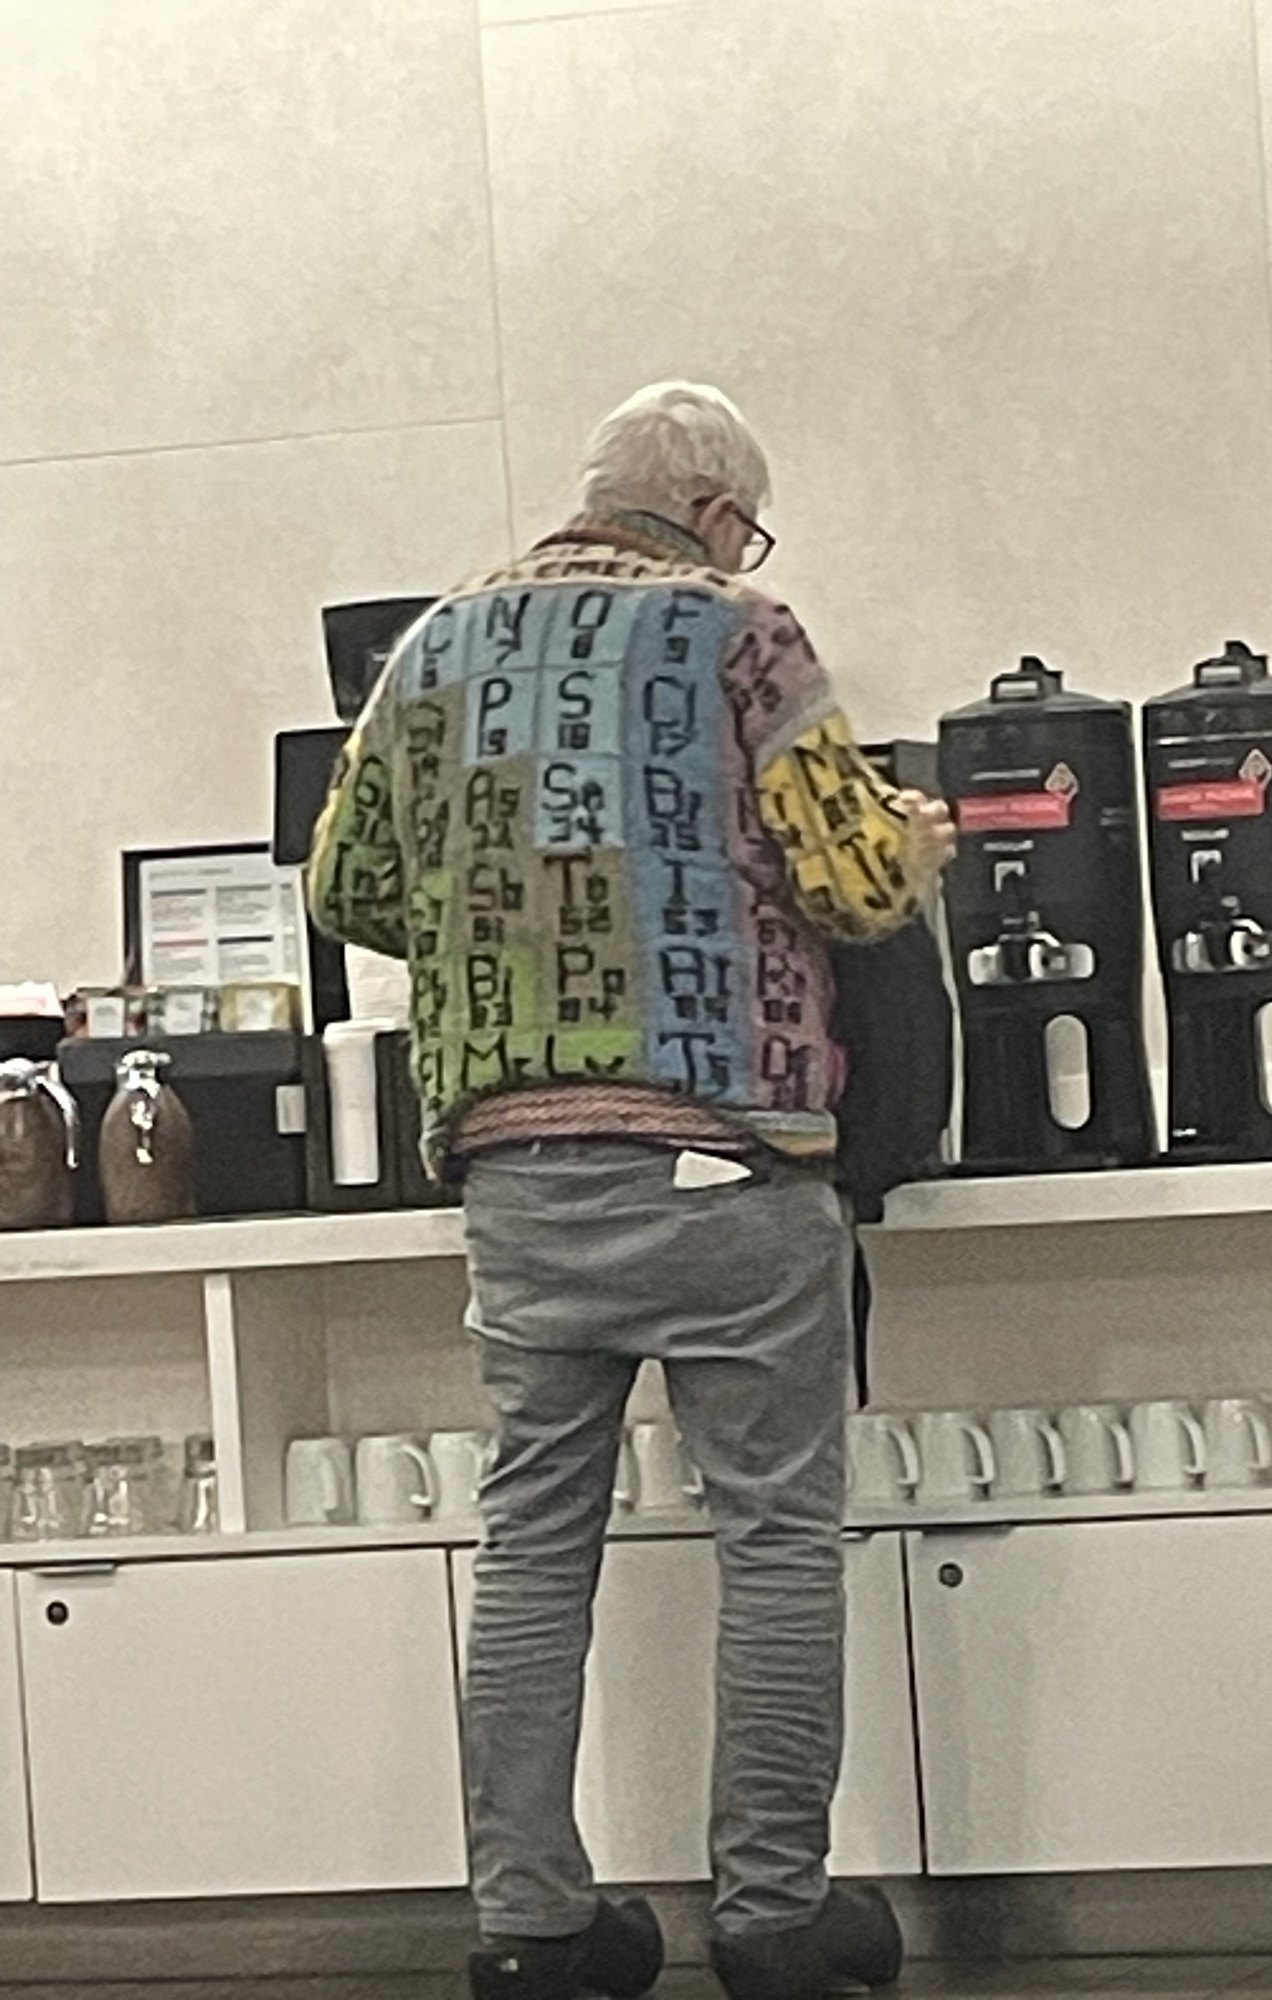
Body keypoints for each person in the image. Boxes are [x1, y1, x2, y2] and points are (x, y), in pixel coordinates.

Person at [306, 382, 956, 2000]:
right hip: (727, 1161)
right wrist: (920, 837)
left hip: (519, 1173)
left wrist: (509, 916)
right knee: (777, 1536)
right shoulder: (741, 631)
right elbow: (854, 877)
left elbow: (345, 887)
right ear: (720, 513)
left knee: (534, 1543)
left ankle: (529, 1927)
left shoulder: (433, 647)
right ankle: (773, 1919)